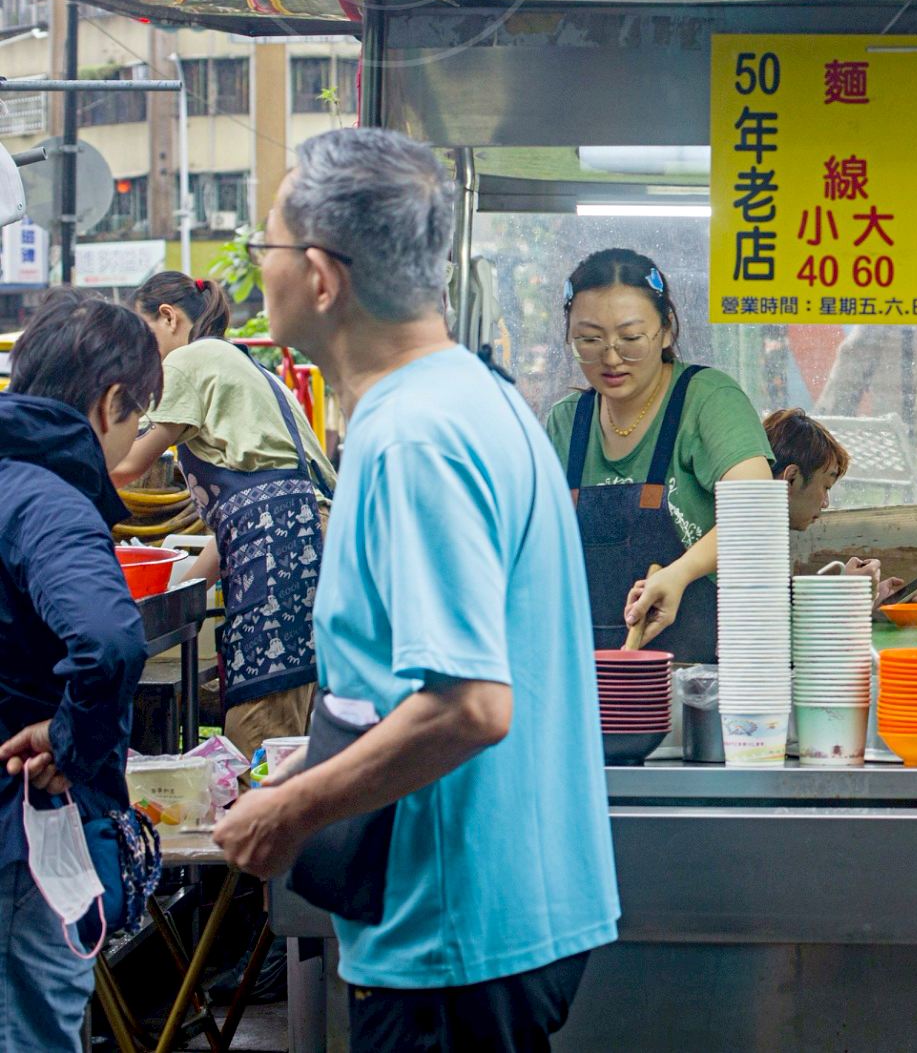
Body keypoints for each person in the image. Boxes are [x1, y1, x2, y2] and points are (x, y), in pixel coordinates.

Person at [212, 129, 616, 1051]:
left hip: (453, 932)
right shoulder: (473, 398)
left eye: (263, 247)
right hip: (500, 906)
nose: (256, 271)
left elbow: (468, 706)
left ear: (320, 276)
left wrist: (292, 806)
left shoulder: (414, 437)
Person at [0, 294, 154, 1051]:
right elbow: (108, 639)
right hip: (20, 838)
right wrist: (72, 739)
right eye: (135, 416)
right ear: (110, 399)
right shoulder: (47, 498)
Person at [113, 270, 335, 759]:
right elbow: (249, 507)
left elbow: (128, 465)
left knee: (261, 729)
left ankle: (264, 828)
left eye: (142, 334)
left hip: (280, 550)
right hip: (309, 538)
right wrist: (182, 587)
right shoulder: (243, 366)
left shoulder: (189, 359)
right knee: (293, 724)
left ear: (168, 317)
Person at [545, 249, 775, 659]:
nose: (611, 358)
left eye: (631, 339)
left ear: (666, 331)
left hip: (703, 675)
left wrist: (679, 573)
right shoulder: (565, 424)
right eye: (590, 340)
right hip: (594, 674)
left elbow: (758, 516)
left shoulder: (707, 400)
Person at [764, 407, 905, 608]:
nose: (826, 503)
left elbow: (786, 604)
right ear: (791, 478)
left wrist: (868, 599)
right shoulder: (746, 546)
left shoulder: (767, 540)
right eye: (825, 487)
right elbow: (776, 619)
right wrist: (847, 593)